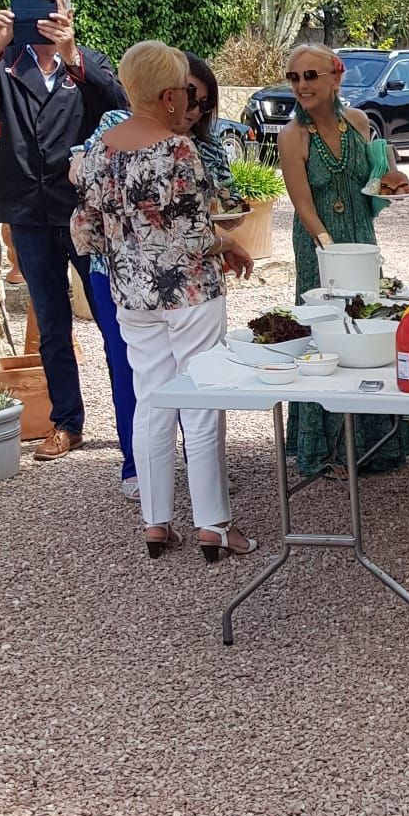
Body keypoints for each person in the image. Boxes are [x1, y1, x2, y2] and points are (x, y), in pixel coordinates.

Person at [69, 41, 256, 560]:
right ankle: (213, 525)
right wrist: (229, 243)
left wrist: (129, 248)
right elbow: (195, 235)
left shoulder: (98, 152)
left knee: (151, 401)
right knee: (200, 400)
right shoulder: (179, 151)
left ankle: (156, 522)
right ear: (169, 95)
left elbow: (84, 231)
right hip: (190, 293)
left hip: (131, 294)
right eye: (186, 95)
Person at [0, 0, 126, 460]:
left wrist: (72, 54)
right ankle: (67, 422)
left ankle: (133, 421)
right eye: (30, 8)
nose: (42, 19)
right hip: (29, 210)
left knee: (110, 318)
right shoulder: (4, 64)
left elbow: (120, 107)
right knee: (51, 322)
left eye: (51, 8)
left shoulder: (87, 62)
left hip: (85, 211)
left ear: (67, 13)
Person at [276, 43, 409, 479]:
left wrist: (394, 181)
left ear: (336, 77)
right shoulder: (292, 136)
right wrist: (329, 249)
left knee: (370, 327)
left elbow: (375, 181)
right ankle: (327, 451)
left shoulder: (358, 122)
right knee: (326, 334)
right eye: (294, 77)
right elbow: (302, 204)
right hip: (318, 248)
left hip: (361, 237)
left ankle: (377, 444)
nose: (301, 85)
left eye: (310, 76)